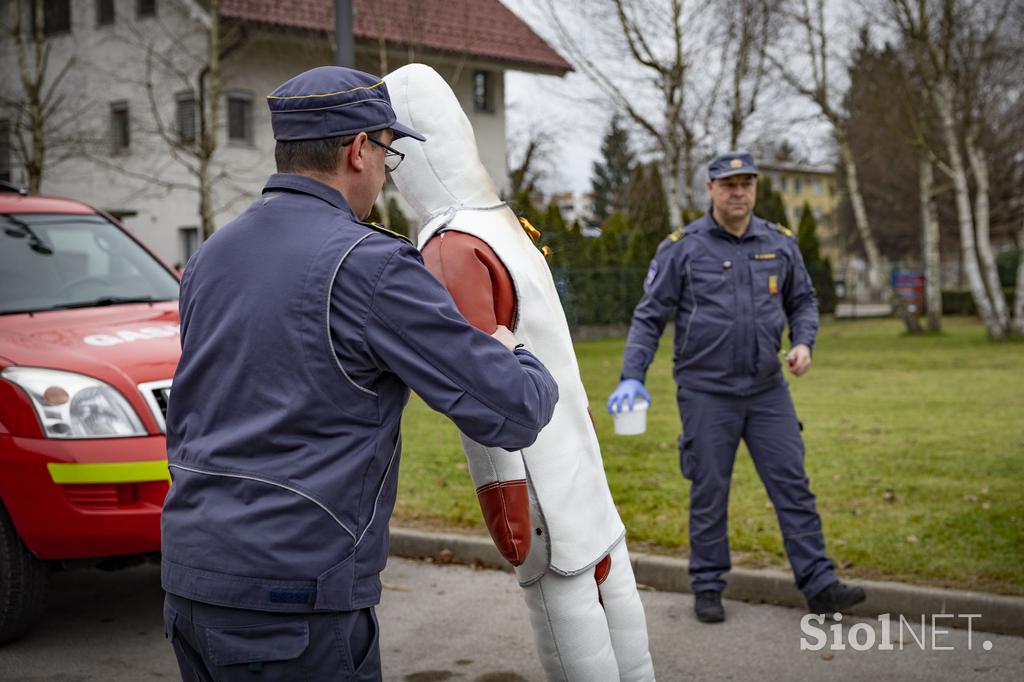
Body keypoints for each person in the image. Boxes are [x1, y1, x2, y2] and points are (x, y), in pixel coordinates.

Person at [160, 65, 559, 681]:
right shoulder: (369, 264)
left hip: (192, 579)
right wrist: (514, 353)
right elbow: (513, 410)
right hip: (295, 599)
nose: (383, 172)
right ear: (357, 151)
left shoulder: (212, 255)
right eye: (388, 154)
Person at [385, 64, 655, 681]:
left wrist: (500, 490)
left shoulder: (452, 244)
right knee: (613, 588)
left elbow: (478, 387)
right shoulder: (502, 221)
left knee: (569, 612)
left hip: (536, 470)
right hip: (574, 453)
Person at [608, 151, 865, 624]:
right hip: (706, 392)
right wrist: (631, 376)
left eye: (746, 183)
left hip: (767, 390)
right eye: (728, 184)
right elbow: (649, 315)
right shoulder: (682, 247)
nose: (738, 192)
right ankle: (707, 585)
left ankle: (820, 584)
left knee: (793, 485)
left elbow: (803, 300)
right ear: (710, 189)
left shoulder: (779, 243)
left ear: (755, 188)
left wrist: (803, 342)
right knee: (709, 490)